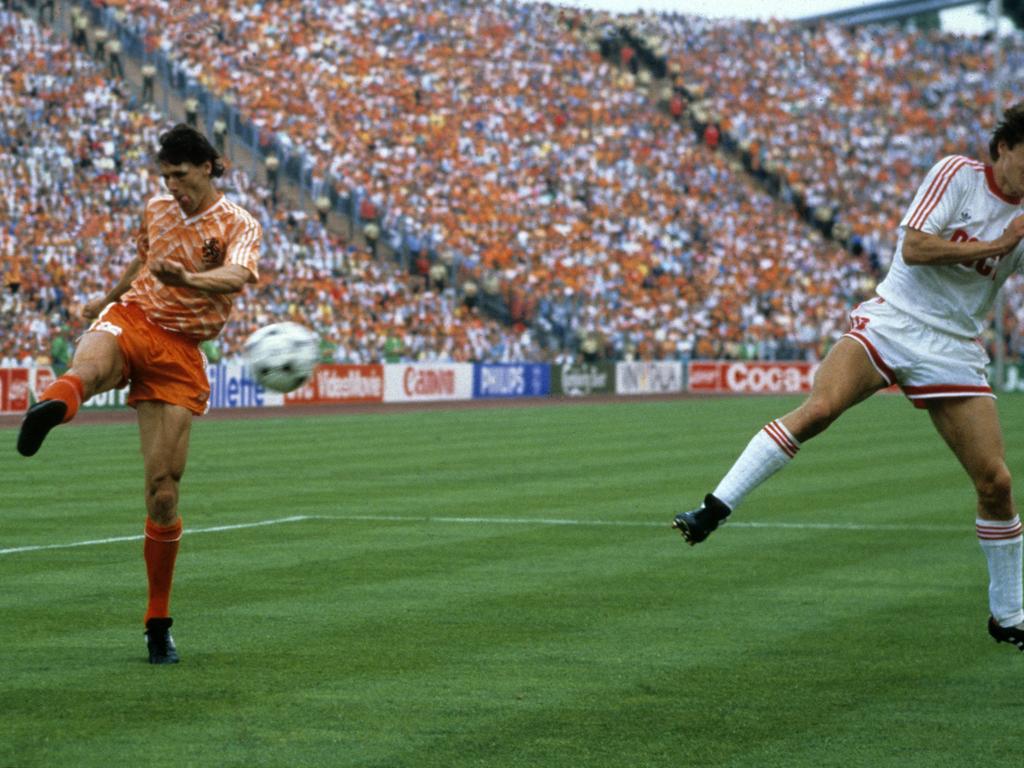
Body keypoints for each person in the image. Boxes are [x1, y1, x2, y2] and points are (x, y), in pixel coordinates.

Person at [673, 103, 1024, 653]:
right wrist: (1000, 244)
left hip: (954, 346)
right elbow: (915, 246)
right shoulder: (958, 175)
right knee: (820, 409)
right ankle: (713, 508)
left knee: (996, 483)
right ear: (1004, 146)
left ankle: (1009, 615)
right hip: (894, 320)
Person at [16, 124, 262, 664]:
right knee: (92, 364)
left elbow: (237, 277)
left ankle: (157, 620)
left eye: (179, 174)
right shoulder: (155, 208)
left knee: (164, 492)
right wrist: (103, 299)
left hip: (181, 351)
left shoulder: (238, 223)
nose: (172, 185)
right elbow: (143, 261)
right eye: (165, 176)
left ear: (207, 167)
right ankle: (53, 406)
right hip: (135, 317)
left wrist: (188, 282)